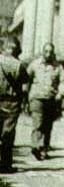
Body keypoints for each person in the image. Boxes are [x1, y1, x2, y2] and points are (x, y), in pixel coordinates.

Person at [27, 43, 64, 160]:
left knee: (48, 125)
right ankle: (35, 146)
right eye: (46, 51)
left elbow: (63, 81)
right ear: (42, 51)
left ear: (53, 52)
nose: (48, 54)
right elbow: (26, 78)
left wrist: (60, 93)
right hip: (37, 98)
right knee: (38, 122)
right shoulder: (34, 64)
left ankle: (44, 148)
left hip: (51, 99)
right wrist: (26, 94)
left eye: (50, 51)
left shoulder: (57, 67)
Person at [0, 39, 27, 173]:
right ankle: (5, 164)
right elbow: (25, 81)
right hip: (12, 102)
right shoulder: (19, 65)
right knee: (8, 134)